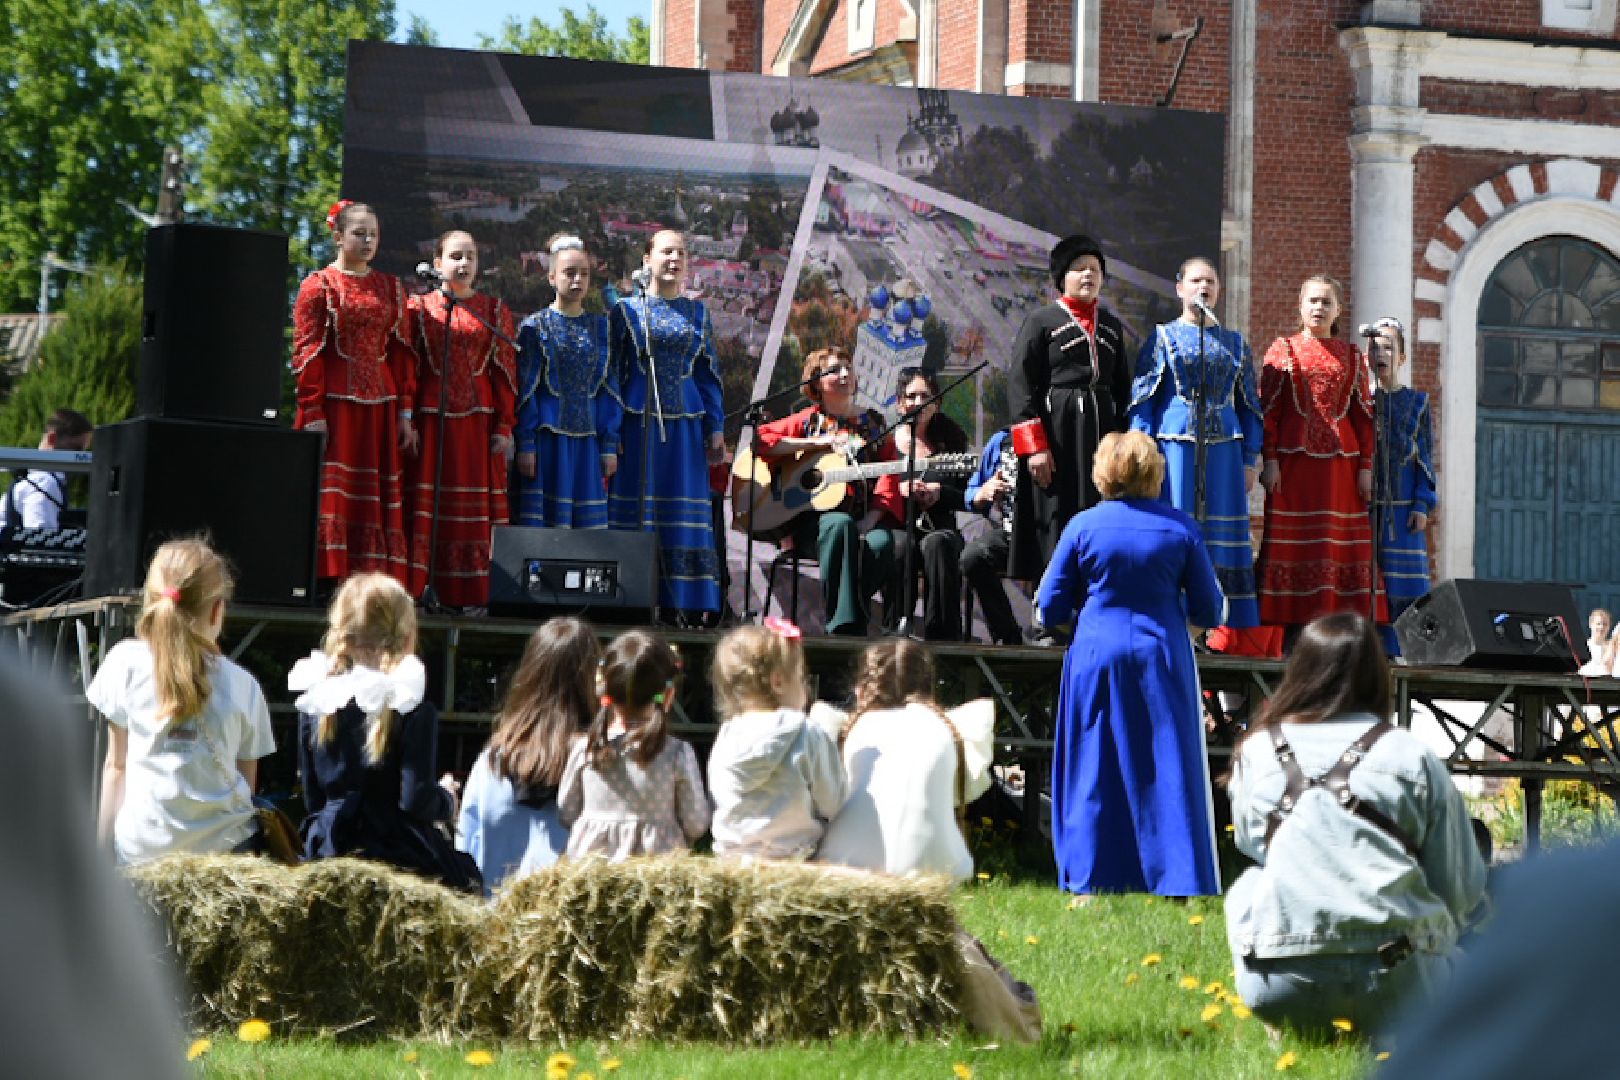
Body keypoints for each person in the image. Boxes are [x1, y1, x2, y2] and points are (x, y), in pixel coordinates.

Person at [1224, 612, 1488, 1041]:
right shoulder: (1411, 754)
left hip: (1278, 984)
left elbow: (1255, 845)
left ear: (1299, 670)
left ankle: (1291, 1026)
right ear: (1378, 674)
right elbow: (1458, 887)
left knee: (1253, 882)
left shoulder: (1258, 750)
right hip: (1399, 979)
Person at [1036, 430, 1225, 896]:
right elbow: (1210, 608)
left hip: (1096, 653)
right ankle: (1177, 876)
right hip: (1161, 653)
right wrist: (1185, 631)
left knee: (1093, 763)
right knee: (1168, 762)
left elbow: (1049, 607)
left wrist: (1077, 629)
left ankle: (1092, 875)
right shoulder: (1181, 528)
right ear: (1155, 472)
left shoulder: (1082, 526)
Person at [289, 573, 479, 891]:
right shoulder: (411, 705)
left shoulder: (318, 702)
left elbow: (313, 798)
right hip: (396, 854)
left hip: (331, 850)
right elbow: (415, 799)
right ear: (406, 638)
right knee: (469, 883)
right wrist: (447, 800)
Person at [89, 539, 275, 863]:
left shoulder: (124, 664)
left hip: (140, 853)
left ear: (150, 600)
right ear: (217, 611)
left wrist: (100, 857)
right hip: (223, 859)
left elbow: (115, 768)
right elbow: (247, 782)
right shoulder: (245, 686)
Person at [1129, 256, 1263, 628]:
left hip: (1224, 452)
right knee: (1177, 523)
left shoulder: (1235, 343)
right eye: (1196, 281)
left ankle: (1219, 626)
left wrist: (1251, 458)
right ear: (1180, 288)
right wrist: (1141, 454)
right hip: (1173, 449)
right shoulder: (1162, 337)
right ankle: (1173, 614)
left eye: (1211, 282)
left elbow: (1251, 405)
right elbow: (1142, 401)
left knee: (1220, 535)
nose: (1204, 288)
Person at [292, 199, 418, 585]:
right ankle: (327, 581)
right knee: (335, 495)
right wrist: (313, 410)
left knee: (375, 499)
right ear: (337, 236)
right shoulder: (319, 286)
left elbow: (401, 353)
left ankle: (374, 583)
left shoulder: (390, 288)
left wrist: (405, 413)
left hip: (381, 407)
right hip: (335, 406)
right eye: (359, 233)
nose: (367, 241)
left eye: (373, 235)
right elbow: (306, 351)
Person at [1256, 275, 1386, 632]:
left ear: (1339, 310)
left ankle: (1338, 623)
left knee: (1336, 547)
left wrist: (1366, 468)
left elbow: (1363, 419)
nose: (1318, 308)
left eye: (1326, 302)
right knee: (1295, 547)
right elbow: (1269, 412)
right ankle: (1291, 634)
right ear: (1300, 306)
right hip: (1293, 469)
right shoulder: (1282, 350)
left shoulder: (1352, 355)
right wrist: (1269, 460)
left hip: (1341, 470)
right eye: (1312, 301)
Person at [607, 229, 726, 617]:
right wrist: (611, 435)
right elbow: (613, 375)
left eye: (681, 253)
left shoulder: (698, 313)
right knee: (638, 512)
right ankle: (632, 599)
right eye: (666, 252)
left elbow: (708, 375)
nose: (674, 259)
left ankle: (685, 607)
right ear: (647, 259)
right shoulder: (626, 311)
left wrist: (716, 427)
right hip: (637, 425)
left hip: (687, 431)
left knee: (683, 516)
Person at [1006, 234, 1132, 584]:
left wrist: (1125, 441)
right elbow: (1019, 383)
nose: (1088, 275)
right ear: (1062, 277)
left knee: (1102, 510)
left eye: (1094, 269)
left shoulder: (1110, 325)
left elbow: (1123, 386)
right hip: (1058, 434)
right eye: (1079, 269)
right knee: (1057, 515)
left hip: (1102, 433)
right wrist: (1035, 447)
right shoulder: (1041, 321)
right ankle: (1051, 613)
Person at [816, 639, 994, 882]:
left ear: (863, 686)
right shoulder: (949, 728)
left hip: (848, 866)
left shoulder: (852, 729)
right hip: (938, 870)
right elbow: (961, 794)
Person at [406, 229, 517, 609]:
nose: (464, 264)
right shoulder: (419, 309)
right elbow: (409, 368)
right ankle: (425, 588)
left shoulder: (492, 311)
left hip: (477, 426)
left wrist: (504, 426)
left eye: (470, 257)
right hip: (433, 422)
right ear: (437, 264)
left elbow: (504, 373)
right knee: (431, 506)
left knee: (474, 512)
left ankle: (474, 595)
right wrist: (407, 416)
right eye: (456, 257)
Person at [753, 347, 896, 635]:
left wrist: (870, 520)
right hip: (813, 526)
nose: (845, 374)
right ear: (817, 382)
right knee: (839, 523)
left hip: (862, 520)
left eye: (848, 368)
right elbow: (762, 440)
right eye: (834, 370)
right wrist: (815, 443)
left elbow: (889, 474)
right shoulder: (807, 422)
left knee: (882, 543)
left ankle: (849, 619)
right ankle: (844, 628)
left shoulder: (874, 423)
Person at [457, 617, 598, 893]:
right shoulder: (597, 761)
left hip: (495, 923)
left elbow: (465, 852)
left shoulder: (492, 761)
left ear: (529, 675)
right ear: (590, 680)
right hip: (571, 926)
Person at [557, 630, 710, 859]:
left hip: (593, 874)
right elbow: (696, 823)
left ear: (603, 692)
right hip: (657, 873)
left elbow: (567, 812)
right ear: (668, 695)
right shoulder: (677, 753)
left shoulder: (586, 749)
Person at [706, 620, 845, 860]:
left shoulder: (726, 737)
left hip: (733, 863)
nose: (806, 688)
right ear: (778, 682)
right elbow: (834, 803)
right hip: (795, 861)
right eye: (801, 679)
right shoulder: (807, 731)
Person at [514, 233, 621, 530]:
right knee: (547, 531)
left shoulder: (601, 328)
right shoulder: (535, 328)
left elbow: (608, 390)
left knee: (588, 537)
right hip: (549, 442)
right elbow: (527, 391)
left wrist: (608, 445)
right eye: (569, 273)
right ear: (551, 277)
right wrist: (527, 444)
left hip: (587, 444)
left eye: (584, 274)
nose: (577, 280)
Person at [874, 367, 972, 640]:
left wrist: (940, 492)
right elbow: (872, 489)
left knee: (937, 545)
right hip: (897, 524)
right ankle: (894, 635)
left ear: (937, 402)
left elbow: (969, 495)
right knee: (899, 547)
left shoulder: (952, 440)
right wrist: (899, 489)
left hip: (939, 527)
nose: (918, 403)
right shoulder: (886, 441)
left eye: (925, 396)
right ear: (900, 402)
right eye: (911, 396)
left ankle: (943, 640)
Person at [1366, 317, 1437, 657]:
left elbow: (1426, 457)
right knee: (1369, 583)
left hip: (1403, 510)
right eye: (1374, 346)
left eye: (1388, 347)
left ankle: (1405, 654)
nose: (1380, 353)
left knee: (1405, 586)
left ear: (1403, 358)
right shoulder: (1362, 402)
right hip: (1367, 512)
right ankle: (1371, 654)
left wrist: (1422, 504)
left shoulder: (1418, 403)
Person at [959, 426, 1025, 646]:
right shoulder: (1003, 441)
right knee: (974, 557)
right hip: (1010, 532)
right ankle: (1007, 636)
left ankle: (1055, 635)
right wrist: (983, 492)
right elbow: (972, 491)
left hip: (1056, 535)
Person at [1, 407, 92, 530]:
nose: (80, 456)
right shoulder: (44, 483)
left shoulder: (30, 478)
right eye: (76, 448)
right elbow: (39, 537)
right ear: (52, 439)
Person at [1581, 607, 1614, 676]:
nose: (1601, 627)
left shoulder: (1613, 648)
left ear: (1609, 627)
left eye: (1605, 624)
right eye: (1598, 624)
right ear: (1590, 624)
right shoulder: (1581, 647)